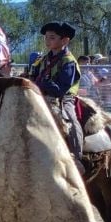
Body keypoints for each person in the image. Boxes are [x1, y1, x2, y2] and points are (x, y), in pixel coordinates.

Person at [26, 22, 82, 162]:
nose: (47, 41)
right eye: (46, 38)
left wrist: (42, 83)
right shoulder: (43, 59)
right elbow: (34, 76)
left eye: (52, 38)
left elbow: (61, 89)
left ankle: (77, 158)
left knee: (71, 121)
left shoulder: (68, 61)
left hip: (64, 99)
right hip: (41, 95)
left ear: (64, 40)